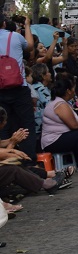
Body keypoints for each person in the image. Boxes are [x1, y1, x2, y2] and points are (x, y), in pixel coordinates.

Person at [40, 74, 78, 173]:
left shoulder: (63, 102)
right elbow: (74, 125)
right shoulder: (60, 104)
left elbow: (77, 120)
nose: (74, 90)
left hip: (58, 138)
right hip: (52, 141)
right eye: (73, 88)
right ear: (68, 91)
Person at [0, 15, 36, 158]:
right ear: (4, 23)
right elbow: (30, 46)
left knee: (2, 125)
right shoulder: (15, 37)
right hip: (19, 87)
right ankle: (28, 160)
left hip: (0, 90)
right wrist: (27, 25)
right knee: (26, 124)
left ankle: (6, 159)